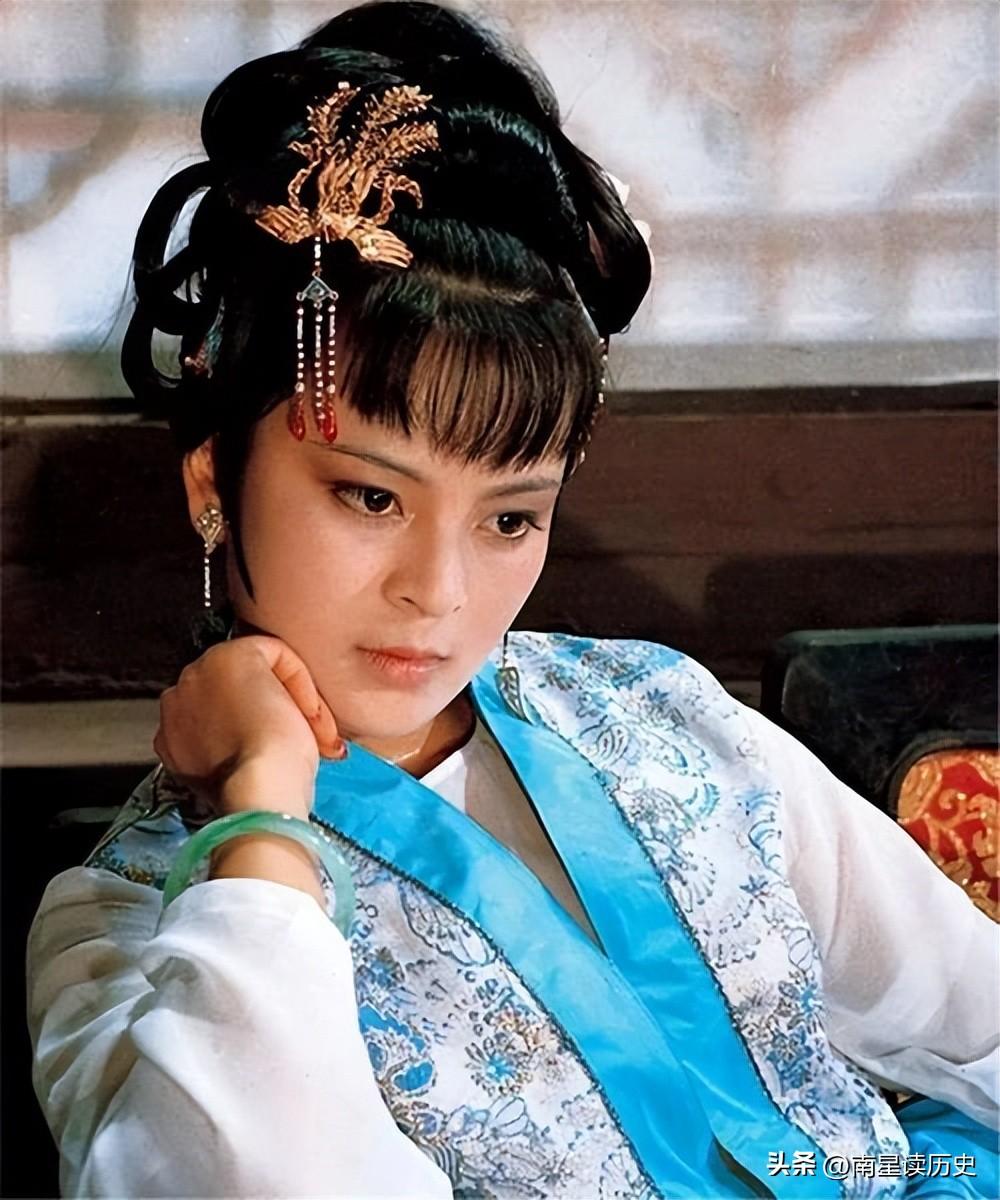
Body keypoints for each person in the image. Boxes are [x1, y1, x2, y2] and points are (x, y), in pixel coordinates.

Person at [26, 2, 998, 1196]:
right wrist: (260, 807)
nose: (438, 593)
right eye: (370, 498)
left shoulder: (661, 713)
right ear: (213, 484)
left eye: (508, 518)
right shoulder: (132, 914)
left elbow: (976, 1023)